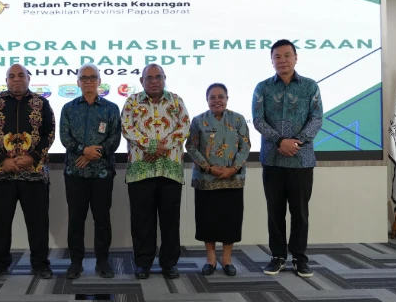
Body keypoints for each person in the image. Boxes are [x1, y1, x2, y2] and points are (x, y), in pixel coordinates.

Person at [252, 39, 323, 278]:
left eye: (286, 55)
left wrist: (297, 142)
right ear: (271, 60)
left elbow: (316, 119)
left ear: (296, 57)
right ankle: (278, 256)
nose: (282, 60)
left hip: (301, 160)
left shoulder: (310, 86)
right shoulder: (262, 87)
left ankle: (299, 258)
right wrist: (280, 141)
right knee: (275, 211)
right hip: (272, 159)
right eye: (277, 57)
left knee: (300, 212)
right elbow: (258, 120)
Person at [0, 63, 55, 280]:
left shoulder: (41, 103)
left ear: (28, 79)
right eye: (11, 76)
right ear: (6, 80)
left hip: (34, 172)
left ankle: (40, 263)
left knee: (38, 222)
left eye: (21, 75)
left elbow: (49, 133)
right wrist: (3, 160)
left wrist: (32, 157)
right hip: (1, 172)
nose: (16, 79)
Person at [120, 63, 190, 279]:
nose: (153, 81)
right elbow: (126, 127)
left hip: (170, 171)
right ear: (141, 81)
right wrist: (152, 146)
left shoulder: (176, 101)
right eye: (148, 78)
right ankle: (143, 263)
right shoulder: (132, 102)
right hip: (141, 172)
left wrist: (161, 147)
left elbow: (185, 127)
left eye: (158, 77)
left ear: (164, 78)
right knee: (142, 221)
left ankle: (169, 264)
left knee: (170, 220)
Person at [59, 63, 121, 279]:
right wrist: (82, 151)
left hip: (102, 173)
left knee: (102, 219)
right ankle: (75, 262)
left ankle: (102, 261)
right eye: (83, 78)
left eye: (91, 77)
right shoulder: (68, 108)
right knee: (76, 219)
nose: (87, 81)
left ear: (99, 81)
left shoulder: (111, 108)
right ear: (77, 82)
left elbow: (115, 138)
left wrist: (98, 152)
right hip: (75, 173)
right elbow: (65, 138)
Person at [185, 83, 251, 277]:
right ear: (207, 100)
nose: (217, 100)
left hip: (233, 178)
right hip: (206, 179)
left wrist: (233, 169)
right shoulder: (198, 121)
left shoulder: (238, 119)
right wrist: (209, 167)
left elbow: (245, 146)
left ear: (227, 98)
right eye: (212, 97)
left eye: (220, 96)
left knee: (230, 220)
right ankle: (211, 259)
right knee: (208, 220)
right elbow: (191, 147)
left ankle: (227, 260)